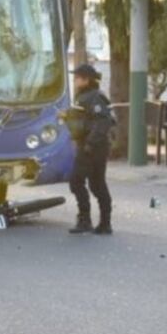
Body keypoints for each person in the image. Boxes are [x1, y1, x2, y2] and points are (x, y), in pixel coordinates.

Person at [68, 63, 114, 235]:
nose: (75, 80)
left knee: (78, 181)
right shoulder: (84, 96)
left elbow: (103, 121)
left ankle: (86, 219)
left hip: (93, 147)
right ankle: (103, 223)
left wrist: (90, 144)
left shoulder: (95, 97)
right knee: (96, 184)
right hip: (88, 145)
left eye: (77, 77)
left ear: (86, 79)